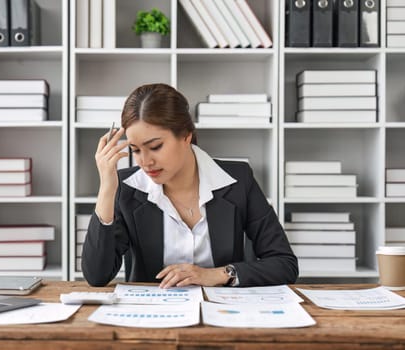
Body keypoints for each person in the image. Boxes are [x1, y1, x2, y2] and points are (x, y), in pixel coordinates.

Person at [82, 83, 298, 288]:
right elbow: (96, 276)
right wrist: (107, 188)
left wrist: (216, 275)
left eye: (155, 146)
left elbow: (284, 264)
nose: (145, 162)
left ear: (186, 135)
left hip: (223, 313)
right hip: (152, 316)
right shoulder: (127, 188)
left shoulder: (238, 180)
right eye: (136, 150)